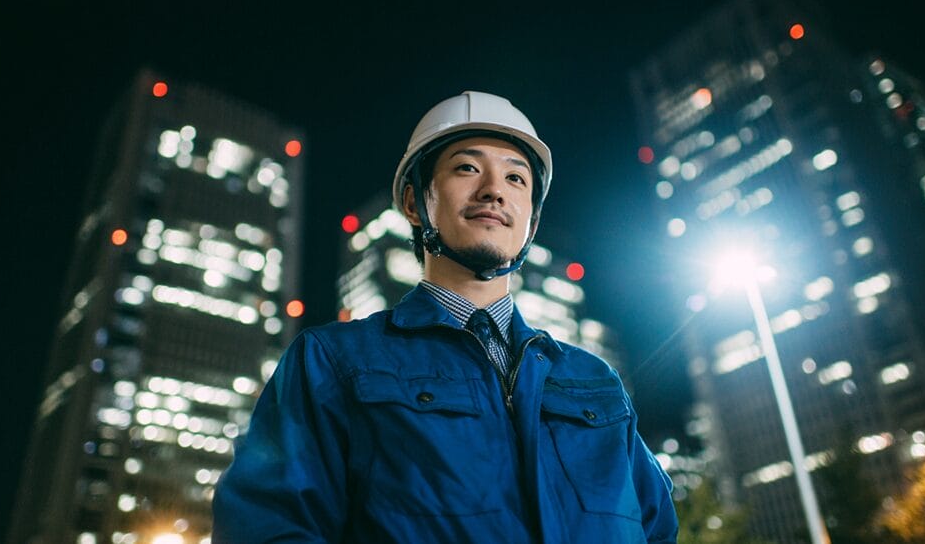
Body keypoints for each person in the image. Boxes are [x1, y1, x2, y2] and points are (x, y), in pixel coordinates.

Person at [212, 91, 678, 543]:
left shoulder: (596, 383)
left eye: (516, 178)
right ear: (414, 203)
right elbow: (266, 527)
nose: (494, 190)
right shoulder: (332, 362)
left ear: (532, 223)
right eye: (467, 168)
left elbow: (657, 529)